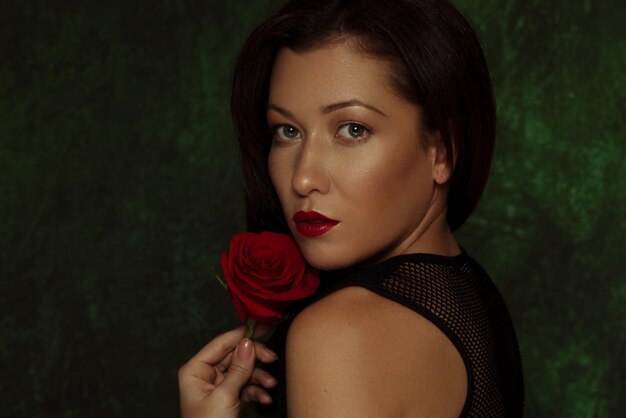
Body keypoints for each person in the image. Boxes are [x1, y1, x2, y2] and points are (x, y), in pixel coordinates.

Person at [178, 0, 524, 416]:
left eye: (352, 129)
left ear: (443, 150)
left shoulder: (341, 332)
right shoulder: (470, 297)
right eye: (287, 131)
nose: (303, 178)